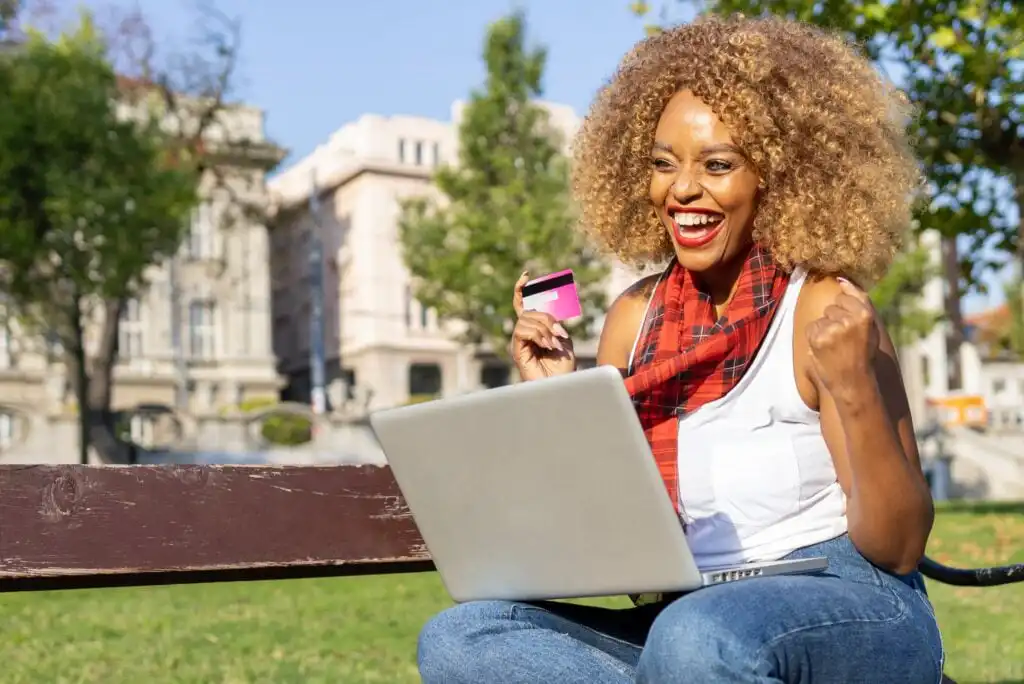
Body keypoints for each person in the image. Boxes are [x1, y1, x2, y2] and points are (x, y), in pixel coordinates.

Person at [417, 15, 944, 684]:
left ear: (779, 177)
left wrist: (855, 388)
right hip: (686, 611)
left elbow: (897, 547)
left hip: (850, 602)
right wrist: (553, 398)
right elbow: (599, 538)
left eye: (717, 165)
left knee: (698, 639)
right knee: (464, 635)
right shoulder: (632, 321)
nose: (682, 190)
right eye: (664, 164)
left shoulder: (823, 309)